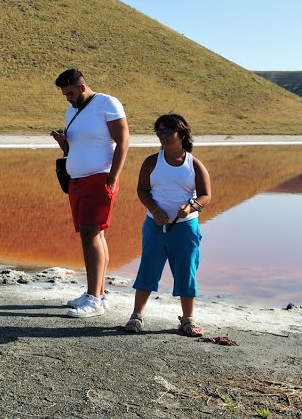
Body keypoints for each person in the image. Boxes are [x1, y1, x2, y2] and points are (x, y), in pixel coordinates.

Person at [51, 69, 129, 318]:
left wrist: (113, 177)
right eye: (65, 95)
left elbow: (124, 140)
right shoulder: (72, 110)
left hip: (99, 178)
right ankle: (97, 293)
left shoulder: (107, 103)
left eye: (71, 93)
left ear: (82, 87)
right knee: (94, 235)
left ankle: (94, 299)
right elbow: (76, 146)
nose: (68, 98)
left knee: (90, 234)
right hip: (77, 180)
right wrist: (63, 142)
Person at [124, 113, 212, 335]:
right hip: (154, 225)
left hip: (186, 228)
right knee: (148, 269)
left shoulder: (195, 164)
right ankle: (137, 316)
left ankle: (188, 320)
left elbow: (205, 195)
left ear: (181, 133)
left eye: (167, 131)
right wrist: (154, 209)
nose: (162, 136)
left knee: (186, 271)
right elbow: (142, 190)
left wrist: (190, 209)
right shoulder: (152, 161)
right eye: (159, 132)